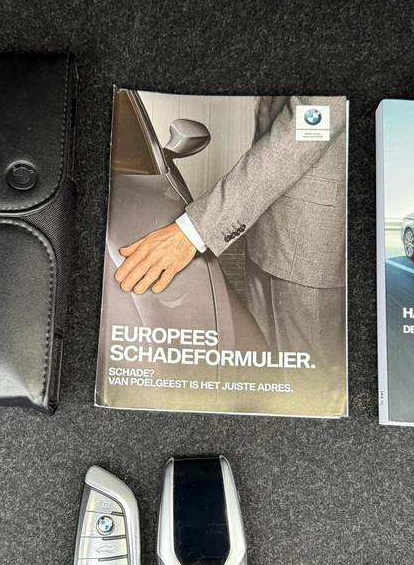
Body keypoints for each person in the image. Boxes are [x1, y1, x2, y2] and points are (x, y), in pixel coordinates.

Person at [114, 96, 347, 387]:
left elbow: (299, 136)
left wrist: (193, 231)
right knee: (265, 372)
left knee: (312, 384)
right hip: (263, 231)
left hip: (309, 243)